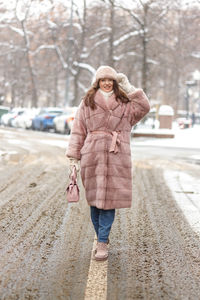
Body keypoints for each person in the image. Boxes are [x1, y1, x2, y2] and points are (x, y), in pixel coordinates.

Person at [66, 66, 150, 261]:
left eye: (110, 80)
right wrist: (74, 158)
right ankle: (100, 237)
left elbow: (144, 107)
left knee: (108, 202)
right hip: (92, 155)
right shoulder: (87, 102)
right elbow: (78, 130)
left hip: (116, 156)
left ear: (115, 82)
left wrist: (129, 88)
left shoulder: (124, 102)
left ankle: (102, 241)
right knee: (95, 202)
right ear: (97, 82)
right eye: (103, 79)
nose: (106, 83)